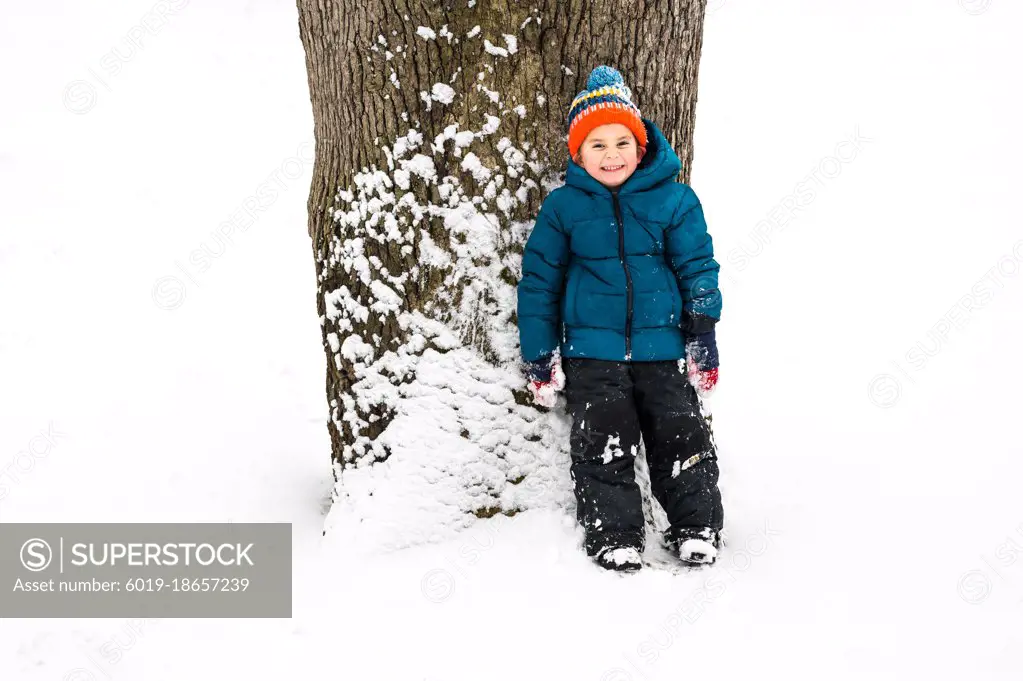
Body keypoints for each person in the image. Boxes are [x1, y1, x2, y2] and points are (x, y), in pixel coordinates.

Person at [516, 65, 724, 573]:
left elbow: (697, 265)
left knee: (682, 432)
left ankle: (696, 526)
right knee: (602, 438)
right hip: (592, 352)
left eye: (621, 142)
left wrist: (702, 331)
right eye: (597, 146)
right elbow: (539, 283)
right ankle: (614, 533)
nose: (612, 156)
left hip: (664, 349)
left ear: (640, 143)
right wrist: (539, 354)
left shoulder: (674, 199)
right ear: (578, 153)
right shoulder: (563, 208)